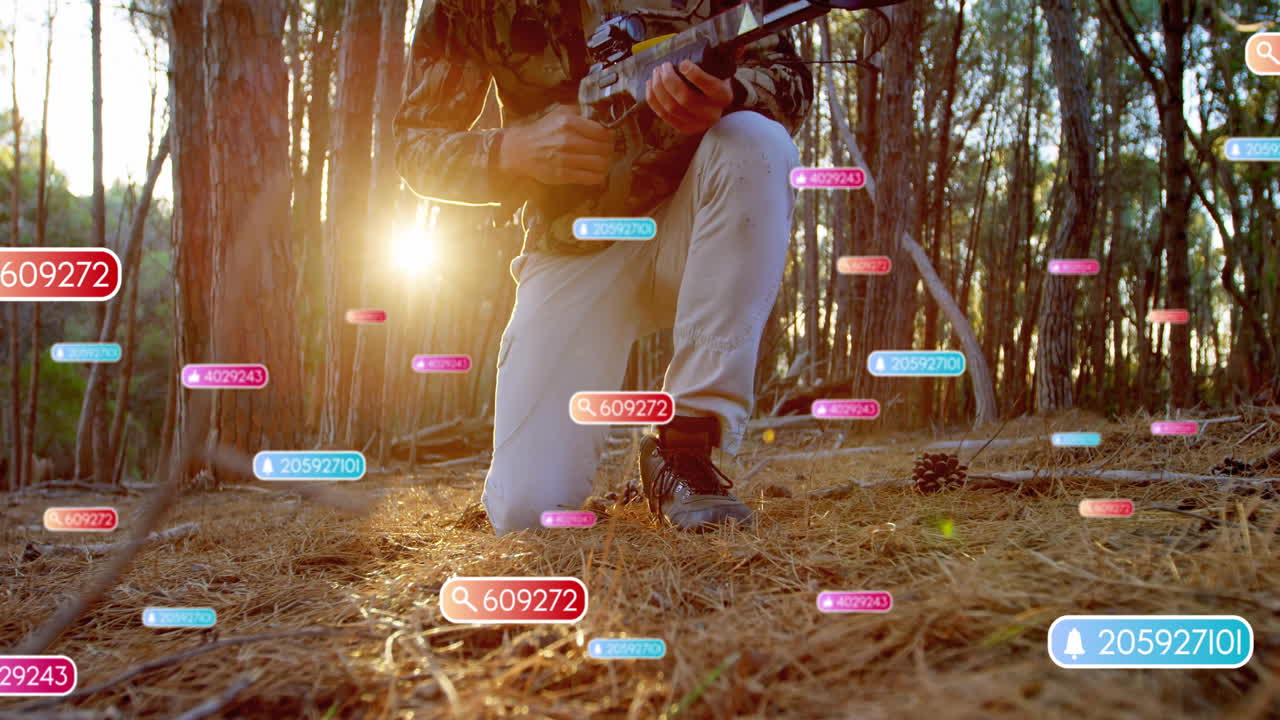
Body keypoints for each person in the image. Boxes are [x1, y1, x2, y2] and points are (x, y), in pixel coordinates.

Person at [394, 0, 812, 535]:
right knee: (528, 514)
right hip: (573, 247)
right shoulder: (465, 8)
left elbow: (788, 74)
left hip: (695, 227)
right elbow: (415, 146)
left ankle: (685, 450)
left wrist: (731, 96)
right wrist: (513, 150)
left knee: (757, 141)